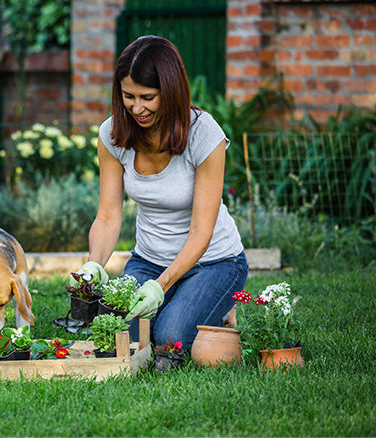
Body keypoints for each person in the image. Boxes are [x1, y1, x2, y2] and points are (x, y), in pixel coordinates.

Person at [73, 36, 248, 350]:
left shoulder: (204, 134)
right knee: (121, 337)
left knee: (171, 338)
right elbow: (108, 216)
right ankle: (185, 304)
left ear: (170, 91)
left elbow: (201, 230)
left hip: (213, 261)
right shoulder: (112, 135)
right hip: (148, 261)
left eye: (147, 97)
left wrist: (161, 287)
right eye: (129, 96)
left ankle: (216, 307)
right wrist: (94, 266)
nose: (137, 108)